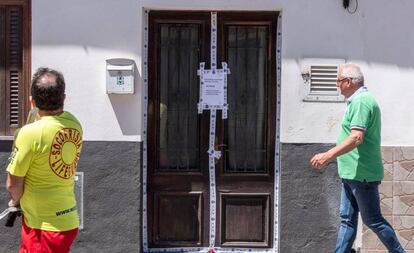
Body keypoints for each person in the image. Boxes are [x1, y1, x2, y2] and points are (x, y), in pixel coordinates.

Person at [310, 64, 405, 253]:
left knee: (373, 220)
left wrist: (327, 155)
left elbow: (356, 137)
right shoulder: (357, 101)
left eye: (338, 81)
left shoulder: (362, 102)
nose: (337, 86)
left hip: (362, 174)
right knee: (347, 221)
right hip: (351, 172)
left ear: (348, 81)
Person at [6, 67, 83, 253]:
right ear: (63, 98)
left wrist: (15, 202)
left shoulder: (29, 133)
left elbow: (13, 184)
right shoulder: (74, 124)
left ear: (32, 100)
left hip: (44, 225)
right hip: (66, 219)